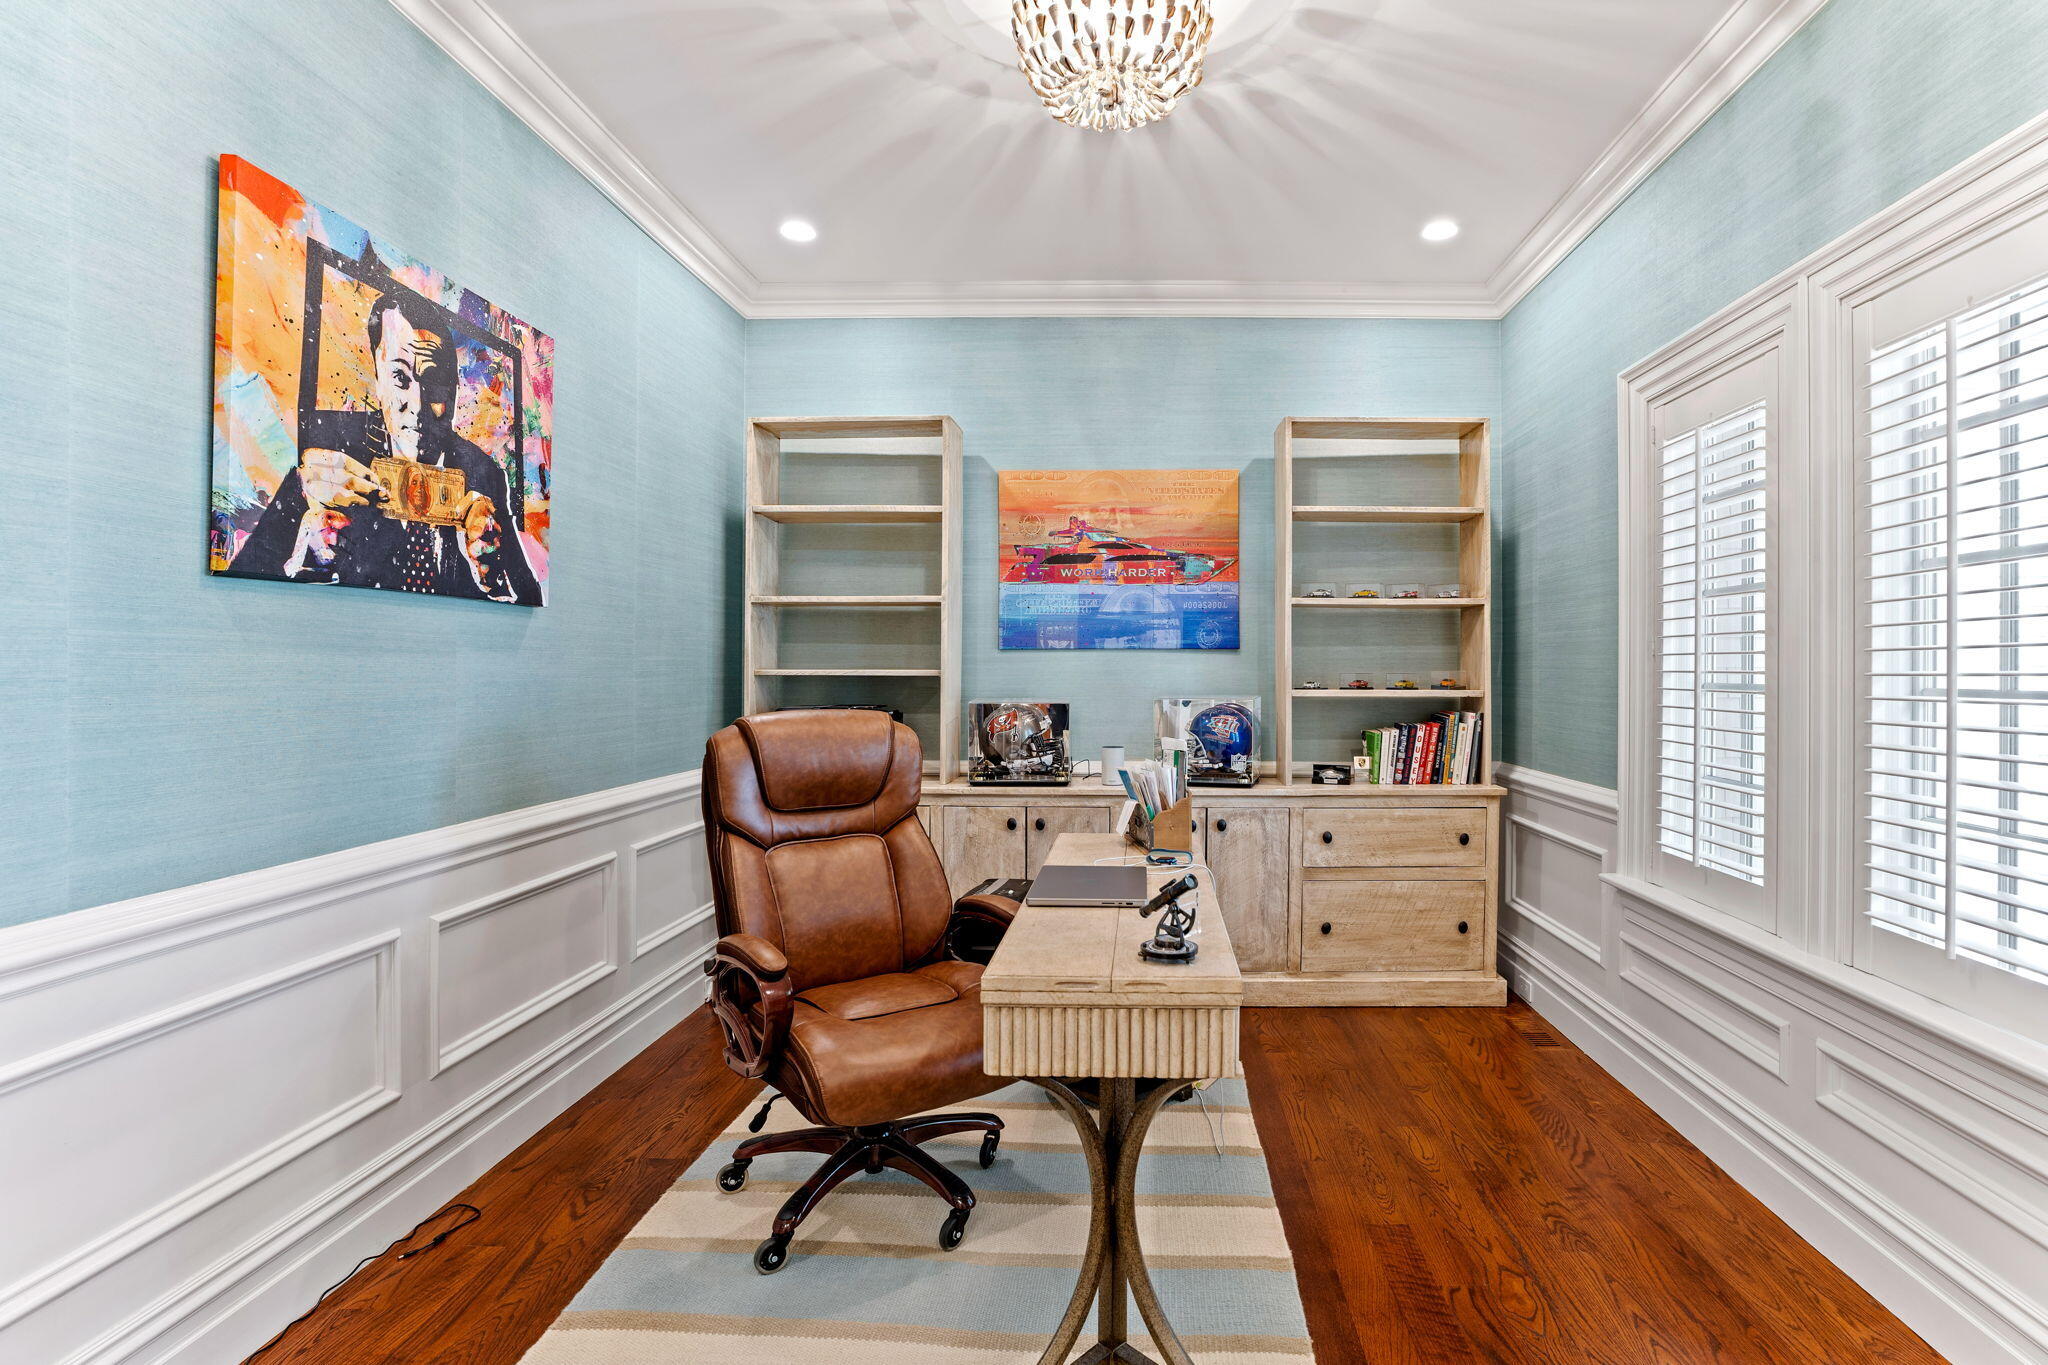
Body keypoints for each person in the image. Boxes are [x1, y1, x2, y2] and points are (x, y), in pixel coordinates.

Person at [229, 287, 542, 604]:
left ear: (455, 389)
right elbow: (244, 574)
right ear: (378, 378)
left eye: (433, 383)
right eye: (400, 377)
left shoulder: (484, 474)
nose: (416, 404)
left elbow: (529, 595)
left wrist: (497, 579)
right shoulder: (331, 447)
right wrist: (303, 547)